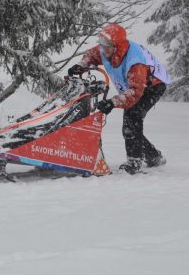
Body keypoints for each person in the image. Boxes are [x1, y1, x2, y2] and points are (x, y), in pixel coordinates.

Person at [68, 23, 171, 174]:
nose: (103, 49)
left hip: (151, 86)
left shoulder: (136, 62)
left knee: (132, 117)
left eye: (107, 46)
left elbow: (135, 93)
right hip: (133, 87)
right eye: (102, 45)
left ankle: (134, 161)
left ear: (117, 46)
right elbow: (92, 54)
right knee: (131, 123)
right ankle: (153, 156)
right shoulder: (106, 49)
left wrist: (112, 102)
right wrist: (81, 65)